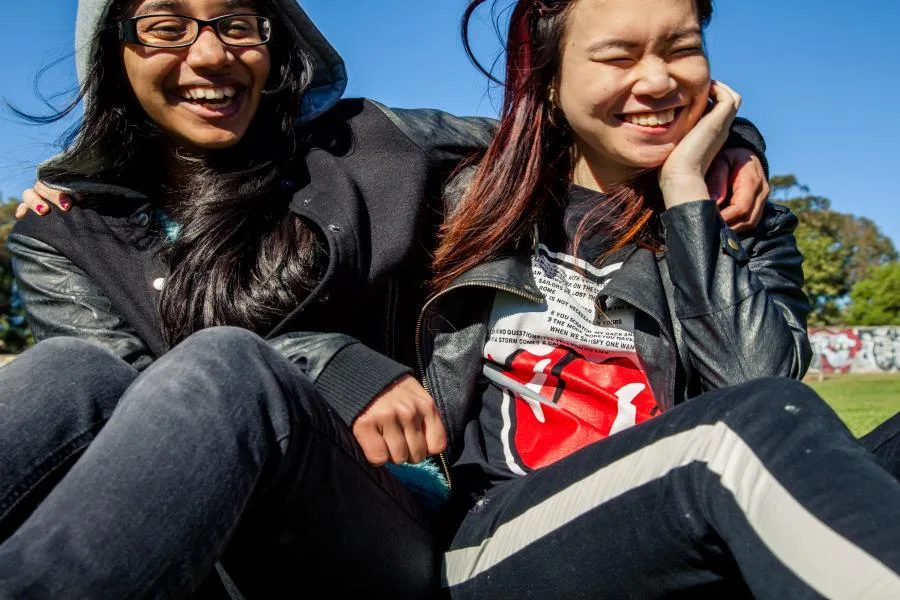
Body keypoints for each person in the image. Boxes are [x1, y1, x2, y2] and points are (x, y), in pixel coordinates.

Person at [1, 0, 773, 598]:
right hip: (193, 524)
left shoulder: (368, 142)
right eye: (164, 26)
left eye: (237, 21)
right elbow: (135, 437)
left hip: (383, 509)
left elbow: (572, 125)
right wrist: (321, 358)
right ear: (112, 50)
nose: (209, 53)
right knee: (66, 371)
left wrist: (729, 143)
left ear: (274, 38)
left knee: (227, 366)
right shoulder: (64, 231)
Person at [415, 0, 900, 598]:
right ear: (546, 82)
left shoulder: (747, 223)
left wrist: (686, 199)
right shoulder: (462, 196)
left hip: (691, 515)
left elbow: (753, 379)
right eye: (618, 56)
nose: (659, 80)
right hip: (505, 537)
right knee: (743, 429)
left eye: (682, 49)